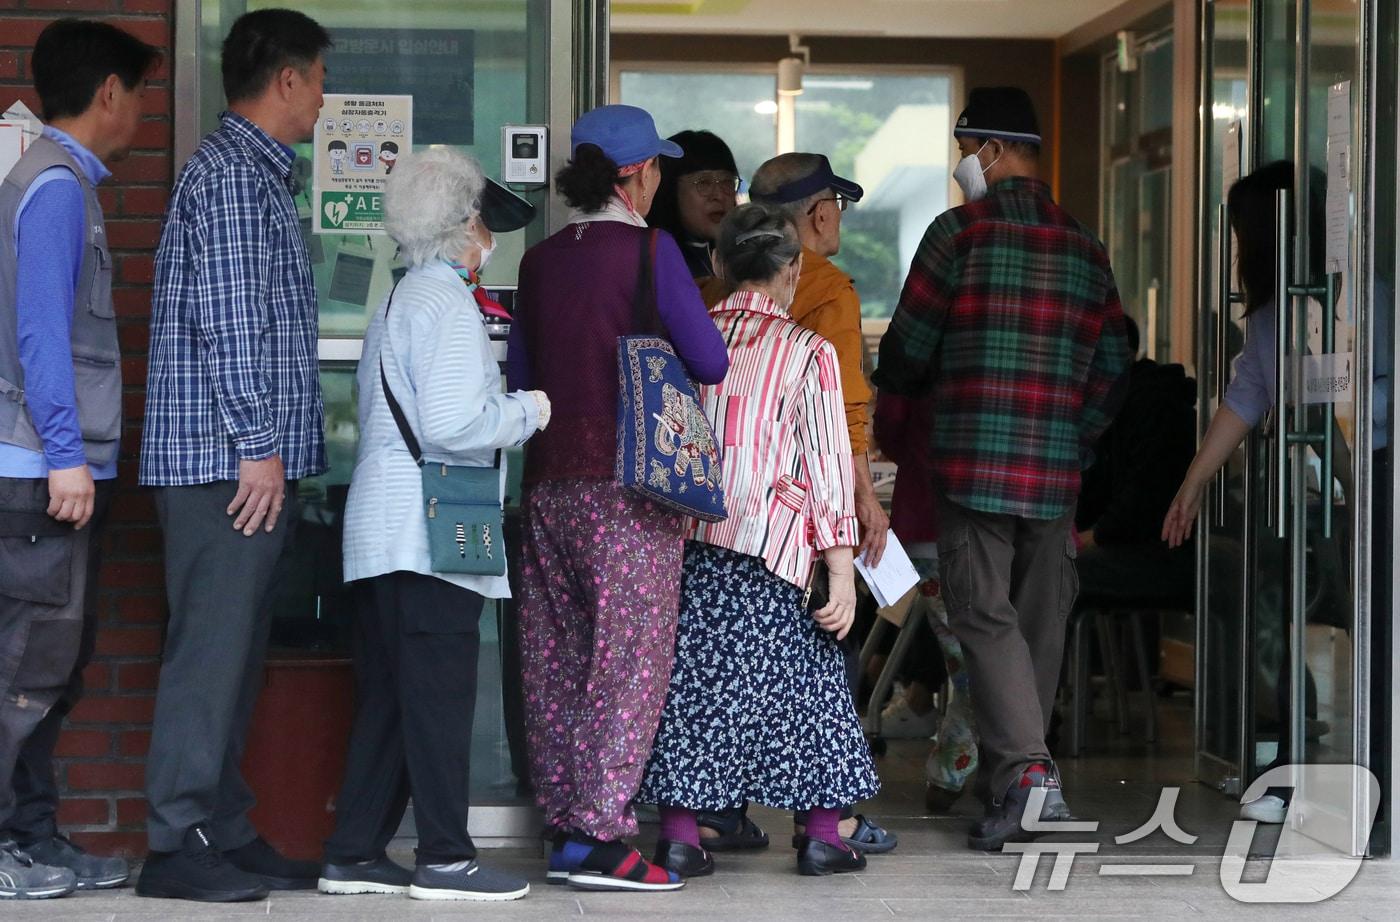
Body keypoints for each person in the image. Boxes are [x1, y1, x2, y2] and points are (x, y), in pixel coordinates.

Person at [873, 86, 1131, 851]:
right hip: (1055, 473)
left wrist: (932, 389)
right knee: (1038, 624)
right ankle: (1012, 782)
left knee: (985, 618)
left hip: (971, 463)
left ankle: (1025, 779)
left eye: (965, 152)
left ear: (990, 148)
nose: (963, 167)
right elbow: (1115, 366)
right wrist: (1073, 439)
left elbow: (905, 353)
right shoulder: (1086, 246)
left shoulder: (956, 235)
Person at [136, 8, 332, 902]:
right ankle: (176, 844)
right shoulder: (228, 179)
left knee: (236, 658)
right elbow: (230, 324)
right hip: (225, 467)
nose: (324, 99)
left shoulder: (254, 174)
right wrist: (259, 446)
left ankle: (221, 826)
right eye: (319, 79)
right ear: (287, 79)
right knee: (210, 657)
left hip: (240, 465)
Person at [507, 104, 728, 892]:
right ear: (636, 173)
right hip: (628, 488)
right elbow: (710, 360)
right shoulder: (650, 251)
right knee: (627, 661)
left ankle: (567, 830)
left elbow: (519, 378)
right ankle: (602, 836)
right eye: (658, 167)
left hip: (547, 484)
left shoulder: (539, 262)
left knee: (556, 661)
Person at [317, 149, 547, 902]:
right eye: (484, 220)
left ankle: (354, 852)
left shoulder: (400, 296)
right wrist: (528, 410)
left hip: (382, 527)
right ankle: (446, 857)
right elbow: (452, 423)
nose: (490, 237)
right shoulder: (446, 301)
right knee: (440, 700)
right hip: (427, 531)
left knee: (391, 701)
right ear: (465, 223)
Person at [637, 203, 879, 879]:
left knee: (693, 687)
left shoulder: (686, 343)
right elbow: (828, 466)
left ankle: (681, 836)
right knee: (812, 685)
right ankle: (823, 835)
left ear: (718, 263)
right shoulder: (808, 352)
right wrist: (840, 572)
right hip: (772, 550)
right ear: (794, 269)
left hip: (689, 546)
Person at [0, 19, 159, 900]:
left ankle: (33, 839)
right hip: (37, 472)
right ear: (108, 92)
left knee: (47, 669)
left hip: (45, 468)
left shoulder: (56, 181)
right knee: (22, 669)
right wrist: (65, 456)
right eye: (138, 93)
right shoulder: (55, 188)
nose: (141, 111)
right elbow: (40, 336)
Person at [745, 152, 897, 856]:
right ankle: (828, 821)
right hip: (803, 509)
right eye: (837, 206)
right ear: (818, 213)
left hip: (730, 514)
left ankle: (715, 809)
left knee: (733, 658)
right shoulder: (829, 288)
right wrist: (864, 499)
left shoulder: (721, 284)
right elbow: (842, 409)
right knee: (824, 650)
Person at [1161, 161, 1318, 825]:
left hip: (1356, 491)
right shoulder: (1273, 313)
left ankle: (1341, 783)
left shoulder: (1354, 298)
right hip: (1307, 495)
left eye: (1239, 235)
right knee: (1279, 626)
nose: (1235, 250)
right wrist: (1194, 482)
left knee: (1331, 631)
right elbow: (1249, 391)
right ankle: (1289, 776)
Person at [872, 392, 980, 811]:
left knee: (967, 659)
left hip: (930, 513)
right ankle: (1000, 764)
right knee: (1000, 657)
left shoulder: (921, 362)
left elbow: (890, 424)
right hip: (1021, 512)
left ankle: (959, 766)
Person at [1075, 316, 1196, 600]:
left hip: (1165, 551)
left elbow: (1140, 504)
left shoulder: (1155, 405)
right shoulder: (1113, 408)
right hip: (1137, 544)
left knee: (1045, 570)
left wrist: (1086, 538)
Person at [647, 130, 740, 279]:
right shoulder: (652, 260)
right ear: (669, 189)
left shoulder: (743, 258)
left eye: (726, 182)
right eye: (704, 183)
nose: (718, 195)